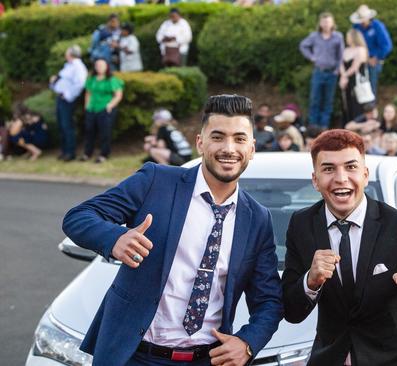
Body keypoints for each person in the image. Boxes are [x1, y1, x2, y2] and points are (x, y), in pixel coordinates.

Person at [62, 94, 283, 366]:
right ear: (200, 143)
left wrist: (248, 342)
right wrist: (115, 238)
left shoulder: (257, 219)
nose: (229, 148)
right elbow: (79, 217)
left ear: (251, 148)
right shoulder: (156, 182)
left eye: (239, 139)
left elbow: (270, 301)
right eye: (217, 137)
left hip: (207, 359)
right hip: (134, 356)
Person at [282, 129, 397, 366]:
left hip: (395, 360)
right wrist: (310, 282)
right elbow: (291, 311)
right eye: (329, 169)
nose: (341, 178)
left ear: (364, 174)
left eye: (351, 167)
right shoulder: (302, 225)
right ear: (315, 180)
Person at [299, 12, 344, 129]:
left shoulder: (338, 37)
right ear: (320, 23)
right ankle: (313, 125)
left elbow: (341, 56)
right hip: (318, 72)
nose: (326, 24)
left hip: (332, 73)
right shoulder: (314, 36)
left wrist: (337, 70)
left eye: (328, 22)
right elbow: (303, 45)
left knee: (328, 101)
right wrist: (311, 57)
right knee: (315, 99)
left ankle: (324, 125)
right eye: (324, 22)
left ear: (332, 23)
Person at [80, 58, 124, 164]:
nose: (99, 67)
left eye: (102, 65)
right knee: (89, 131)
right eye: (97, 65)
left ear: (107, 67)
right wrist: (87, 106)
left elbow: (118, 95)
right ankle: (87, 153)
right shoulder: (92, 79)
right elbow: (88, 93)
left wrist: (110, 105)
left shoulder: (111, 79)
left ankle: (104, 154)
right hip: (92, 108)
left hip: (104, 109)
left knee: (105, 133)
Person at [49, 44, 88, 162]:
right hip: (61, 98)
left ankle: (70, 153)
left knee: (67, 126)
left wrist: (68, 96)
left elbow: (79, 84)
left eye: (67, 52)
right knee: (61, 126)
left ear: (71, 54)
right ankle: (64, 151)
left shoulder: (78, 66)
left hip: (67, 100)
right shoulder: (68, 66)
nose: (65, 54)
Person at [350, 4, 392, 94]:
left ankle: (371, 107)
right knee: (358, 89)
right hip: (358, 62)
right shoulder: (356, 27)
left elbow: (386, 46)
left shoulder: (377, 26)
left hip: (373, 62)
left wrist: (376, 57)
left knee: (370, 90)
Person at [339, 29, 370, 124]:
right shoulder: (345, 50)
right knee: (346, 103)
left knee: (356, 103)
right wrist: (343, 77)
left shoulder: (361, 50)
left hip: (357, 81)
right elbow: (340, 64)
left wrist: (344, 76)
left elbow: (355, 67)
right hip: (346, 80)